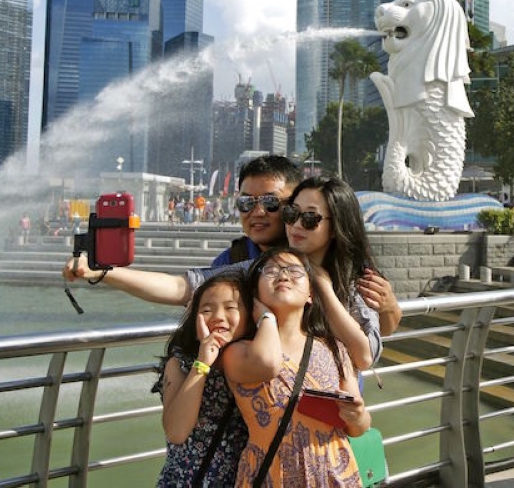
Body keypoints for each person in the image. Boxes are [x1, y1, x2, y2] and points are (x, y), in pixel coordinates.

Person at [62, 157, 402, 344]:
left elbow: (376, 335)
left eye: (270, 202)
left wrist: (389, 307)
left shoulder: (344, 264)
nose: (256, 212)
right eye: (245, 202)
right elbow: (185, 287)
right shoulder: (242, 263)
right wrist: (104, 272)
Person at [222, 247, 369, 487]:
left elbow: (359, 428)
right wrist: (266, 318)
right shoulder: (239, 352)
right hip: (271, 474)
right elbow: (268, 363)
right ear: (256, 292)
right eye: (270, 271)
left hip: (332, 474)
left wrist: (358, 415)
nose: (283, 276)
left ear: (310, 293)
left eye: (294, 271)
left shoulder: (335, 349)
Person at [154, 269, 252, 487]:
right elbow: (176, 432)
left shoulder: (253, 363)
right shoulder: (179, 364)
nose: (218, 316)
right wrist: (202, 364)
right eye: (207, 309)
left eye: (230, 308)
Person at [281, 175, 387, 369]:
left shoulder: (355, 282)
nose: (296, 225)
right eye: (291, 213)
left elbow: (366, 355)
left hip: (327, 395)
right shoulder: (271, 270)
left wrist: (323, 286)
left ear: (335, 227)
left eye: (310, 218)